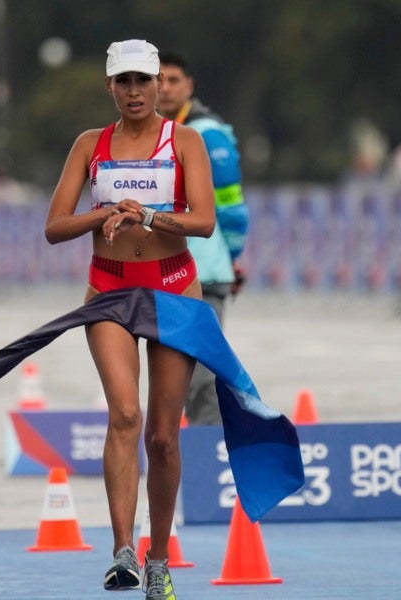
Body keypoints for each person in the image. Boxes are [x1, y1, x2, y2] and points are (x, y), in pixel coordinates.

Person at [44, 39, 215, 600]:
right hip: (110, 290)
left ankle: (159, 559)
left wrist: (151, 216)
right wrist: (107, 211)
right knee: (124, 414)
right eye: (126, 82)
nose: (137, 92)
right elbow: (56, 226)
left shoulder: (184, 141)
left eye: (146, 81)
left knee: (164, 436)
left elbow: (206, 222)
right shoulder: (89, 144)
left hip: (172, 289)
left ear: (159, 86)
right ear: (110, 87)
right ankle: (123, 552)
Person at [157, 52, 249, 425]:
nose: (163, 88)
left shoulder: (207, 132)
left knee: (200, 379)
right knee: (172, 379)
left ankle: (209, 461)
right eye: (156, 79)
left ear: (189, 86)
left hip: (203, 270)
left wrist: (232, 257)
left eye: (173, 80)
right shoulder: (150, 132)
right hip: (159, 270)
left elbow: (230, 204)